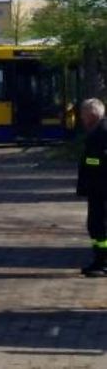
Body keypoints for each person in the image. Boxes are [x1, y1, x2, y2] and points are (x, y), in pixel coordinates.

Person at [77, 98, 107, 276]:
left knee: (100, 225)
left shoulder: (102, 133)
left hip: (101, 189)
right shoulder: (98, 131)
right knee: (95, 225)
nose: (82, 119)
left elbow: (98, 161)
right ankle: (99, 260)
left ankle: (103, 262)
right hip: (97, 189)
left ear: (92, 115)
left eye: (83, 115)